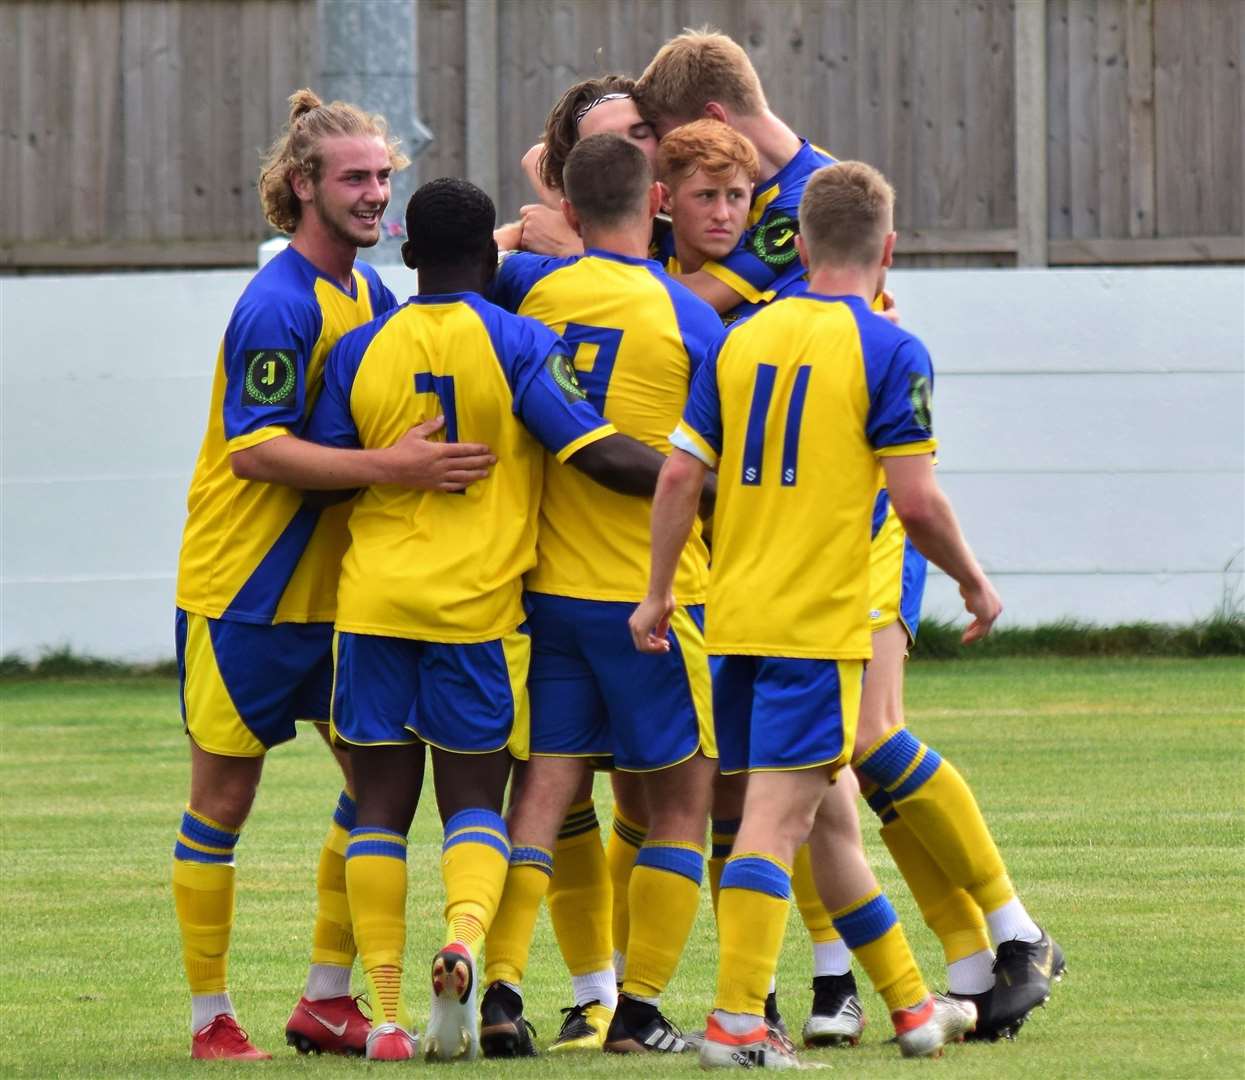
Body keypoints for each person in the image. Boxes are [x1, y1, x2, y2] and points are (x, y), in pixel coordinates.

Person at [657, 112, 1064, 1046]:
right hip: (819, 619)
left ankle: (921, 992)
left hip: (733, 612)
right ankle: (739, 1022)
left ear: (793, 244)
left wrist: (655, 591)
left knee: (802, 809)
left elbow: (681, 474)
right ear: (891, 248)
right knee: (782, 818)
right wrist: (972, 579)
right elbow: (914, 503)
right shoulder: (889, 348)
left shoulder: (738, 340)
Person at [304, 176, 672, 1062]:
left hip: (376, 603)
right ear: (492, 257)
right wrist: (695, 474)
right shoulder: (518, 341)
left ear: (407, 253)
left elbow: (325, 464)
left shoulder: (360, 348)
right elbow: (595, 453)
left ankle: (387, 1017)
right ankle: (465, 936)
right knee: (474, 803)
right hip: (476, 614)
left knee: (378, 808)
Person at [171, 89, 495, 1061]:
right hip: (244, 595)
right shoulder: (276, 304)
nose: (374, 194)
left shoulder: (366, 293)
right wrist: (390, 470)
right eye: (355, 177)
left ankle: (325, 997)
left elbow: (442, 315)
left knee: (372, 788)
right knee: (223, 803)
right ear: (302, 184)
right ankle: (208, 1019)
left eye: (384, 177)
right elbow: (256, 453)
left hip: (341, 598)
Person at [478, 133, 725, 1058]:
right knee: (680, 804)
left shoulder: (526, 291)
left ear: (570, 215)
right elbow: (714, 464)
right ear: (659, 202)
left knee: (543, 788)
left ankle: (500, 987)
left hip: (547, 591)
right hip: (651, 597)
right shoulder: (691, 320)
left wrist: (526, 231)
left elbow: (484, 260)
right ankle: (640, 1008)